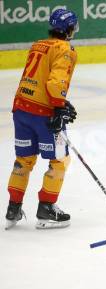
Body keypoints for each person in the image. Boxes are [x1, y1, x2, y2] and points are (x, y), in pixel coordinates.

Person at [5, 9, 79, 230]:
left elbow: (36, 78)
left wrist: (63, 103)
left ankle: (13, 208)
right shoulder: (66, 49)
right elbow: (55, 84)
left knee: (24, 160)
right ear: (69, 28)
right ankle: (46, 208)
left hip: (21, 108)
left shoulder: (37, 44)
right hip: (44, 114)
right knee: (59, 161)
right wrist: (58, 107)